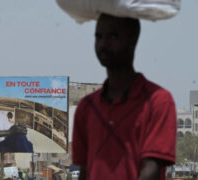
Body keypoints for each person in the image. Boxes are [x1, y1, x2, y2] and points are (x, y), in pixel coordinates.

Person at [72, 13, 176, 180]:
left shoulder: (158, 101)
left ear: (133, 39)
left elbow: (151, 170)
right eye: (99, 36)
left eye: (113, 36)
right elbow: (84, 171)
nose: (103, 44)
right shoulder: (87, 107)